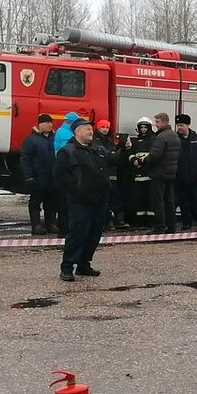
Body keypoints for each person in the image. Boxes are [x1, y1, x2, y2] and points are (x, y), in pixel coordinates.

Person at [54, 118, 111, 282]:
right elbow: (60, 176)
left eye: (91, 129)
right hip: (80, 202)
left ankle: (84, 264)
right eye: (87, 129)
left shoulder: (97, 150)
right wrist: (76, 191)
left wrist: (124, 148)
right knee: (77, 235)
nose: (91, 132)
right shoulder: (68, 151)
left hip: (99, 201)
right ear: (77, 131)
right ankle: (67, 267)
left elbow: (112, 161)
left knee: (94, 235)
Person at [137, 112, 180, 234]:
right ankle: (171, 226)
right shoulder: (174, 135)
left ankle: (159, 226)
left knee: (158, 200)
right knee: (169, 200)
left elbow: (155, 155)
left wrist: (143, 160)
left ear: (163, 122)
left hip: (159, 173)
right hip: (170, 173)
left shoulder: (161, 137)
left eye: (157, 122)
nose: (155, 124)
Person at [20, 113, 58, 235]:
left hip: (51, 177)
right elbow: (25, 159)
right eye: (47, 123)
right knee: (35, 202)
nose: (50, 125)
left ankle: (51, 224)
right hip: (37, 177)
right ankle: (36, 226)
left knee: (51, 202)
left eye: (51, 123)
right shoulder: (31, 140)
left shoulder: (54, 138)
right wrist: (28, 176)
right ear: (40, 124)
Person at [51, 111, 82, 235]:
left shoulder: (61, 131)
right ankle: (65, 229)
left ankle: (64, 228)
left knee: (63, 203)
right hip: (67, 172)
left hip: (62, 171)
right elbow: (70, 153)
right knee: (66, 204)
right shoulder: (66, 134)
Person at [127, 117, 156, 227]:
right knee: (139, 197)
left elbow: (154, 155)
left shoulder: (154, 140)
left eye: (145, 127)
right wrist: (134, 160)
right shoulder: (135, 141)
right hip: (138, 174)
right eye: (141, 127)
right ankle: (140, 220)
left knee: (150, 198)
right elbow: (130, 153)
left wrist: (143, 161)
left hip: (150, 174)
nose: (143, 129)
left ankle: (151, 220)